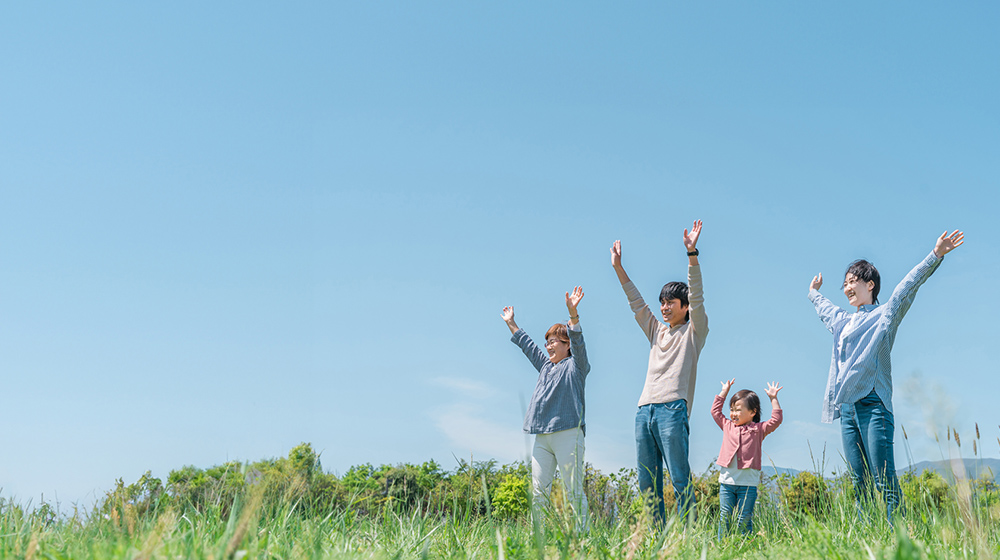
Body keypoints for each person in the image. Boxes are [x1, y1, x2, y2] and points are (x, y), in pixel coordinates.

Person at [808, 230, 965, 524]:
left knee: (884, 481)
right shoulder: (843, 322)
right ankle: (866, 541)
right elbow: (825, 310)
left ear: (870, 285)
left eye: (853, 281)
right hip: (848, 409)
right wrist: (813, 292)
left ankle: (898, 541)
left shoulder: (884, 316)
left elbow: (907, 288)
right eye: (844, 283)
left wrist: (935, 256)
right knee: (860, 484)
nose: (847, 287)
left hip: (873, 404)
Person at [610, 220, 707, 522]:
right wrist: (618, 267)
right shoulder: (656, 331)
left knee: (679, 477)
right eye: (662, 302)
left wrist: (692, 255)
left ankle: (690, 537)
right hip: (644, 411)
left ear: (685, 306)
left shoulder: (694, 332)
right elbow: (636, 303)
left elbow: (699, 296)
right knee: (646, 483)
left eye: (671, 302)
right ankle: (656, 536)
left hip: (672, 409)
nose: (664, 307)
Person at [502, 286, 590, 530]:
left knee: (573, 491)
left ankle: (584, 539)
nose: (548, 346)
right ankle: (537, 542)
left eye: (554, 342)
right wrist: (512, 323)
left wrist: (573, 316)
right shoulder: (545, 367)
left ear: (567, 345)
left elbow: (579, 344)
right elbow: (528, 346)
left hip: (568, 433)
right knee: (539, 493)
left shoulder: (576, 366)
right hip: (542, 436)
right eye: (547, 342)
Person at [711, 379, 783, 539]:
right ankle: (723, 547)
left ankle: (746, 547)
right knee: (725, 518)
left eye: (738, 410)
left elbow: (776, 420)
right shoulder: (727, 425)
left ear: (753, 412)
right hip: (727, 483)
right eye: (731, 410)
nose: (733, 414)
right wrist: (724, 392)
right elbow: (715, 412)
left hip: (748, 484)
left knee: (744, 519)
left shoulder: (758, 430)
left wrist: (773, 398)